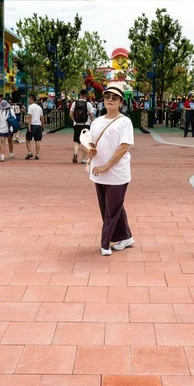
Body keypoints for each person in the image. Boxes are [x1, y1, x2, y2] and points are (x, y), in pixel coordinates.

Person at [87, 83, 135, 257]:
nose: (110, 100)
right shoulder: (97, 121)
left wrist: (106, 166)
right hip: (98, 173)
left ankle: (105, 243)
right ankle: (126, 237)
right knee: (112, 207)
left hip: (117, 174)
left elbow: (124, 147)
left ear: (121, 102)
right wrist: (89, 150)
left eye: (115, 98)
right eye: (107, 97)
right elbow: (91, 143)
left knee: (111, 210)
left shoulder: (125, 122)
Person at [70, 89, 95, 164]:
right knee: (85, 141)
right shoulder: (88, 104)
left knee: (76, 141)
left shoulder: (74, 103)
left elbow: (70, 114)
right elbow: (91, 115)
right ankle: (83, 159)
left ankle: (75, 153)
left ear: (79, 95)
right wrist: (93, 122)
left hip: (77, 124)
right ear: (86, 96)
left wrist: (74, 120)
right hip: (86, 124)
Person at [25, 94, 44, 160]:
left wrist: (29, 125)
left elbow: (30, 116)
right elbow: (42, 117)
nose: (28, 101)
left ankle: (30, 152)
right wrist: (43, 125)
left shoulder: (30, 107)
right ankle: (37, 154)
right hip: (38, 125)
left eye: (29, 99)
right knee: (37, 140)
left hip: (32, 124)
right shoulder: (39, 107)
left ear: (32, 99)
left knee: (27, 139)